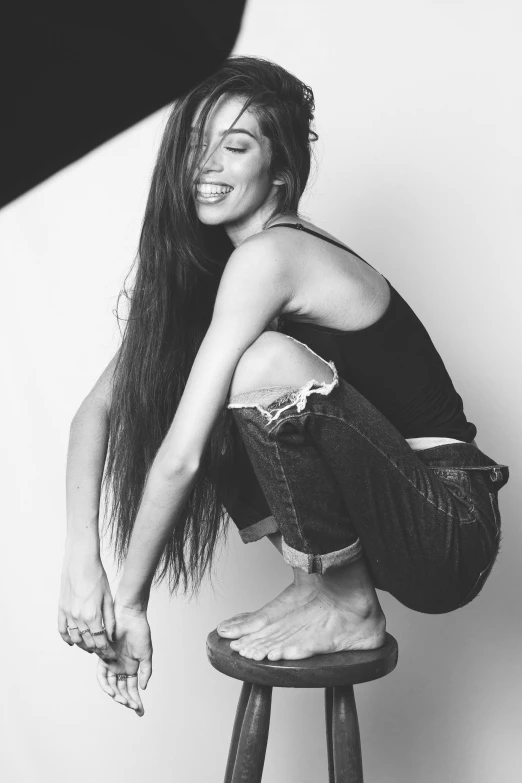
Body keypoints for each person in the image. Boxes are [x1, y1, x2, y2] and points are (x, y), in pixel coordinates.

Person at [57, 55, 509, 718]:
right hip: (390, 521)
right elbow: (94, 415)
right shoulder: (214, 276)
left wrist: (127, 599)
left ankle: (348, 604)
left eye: (235, 146)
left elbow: (180, 455)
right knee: (196, 375)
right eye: (194, 145)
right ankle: (321, 585)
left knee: (257, 365)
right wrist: (80, 565)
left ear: (280, 172)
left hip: (450, 521)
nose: (205, 166)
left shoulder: (271, 257)